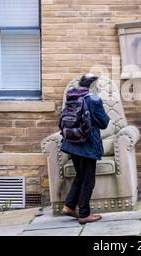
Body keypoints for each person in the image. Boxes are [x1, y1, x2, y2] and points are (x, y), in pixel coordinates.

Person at [60, 73, 110, 224]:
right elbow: (104, 123)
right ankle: (84, 214)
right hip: (87, 144)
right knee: (88, 180)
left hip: (72, 142)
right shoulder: (94, 100)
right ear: (93, 85)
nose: (99, 87)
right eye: (98, 84)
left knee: (80, 176)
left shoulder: (72, 96)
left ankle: (69, 206)